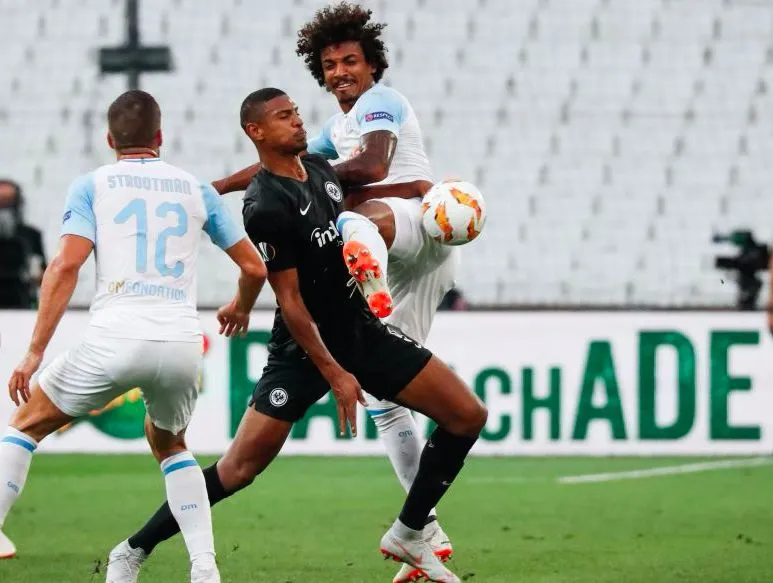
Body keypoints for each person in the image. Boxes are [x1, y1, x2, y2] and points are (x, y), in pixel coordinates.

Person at [107, 88, 486, 583]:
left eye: (297, 114)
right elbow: (290, 301)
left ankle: (410, 532)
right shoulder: (264, 206)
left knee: (466, 416)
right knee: (237, 470)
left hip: (361, 332)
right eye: (284, 117)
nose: (298, 122)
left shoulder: (322, 173)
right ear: (256, 132)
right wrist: (336, 373)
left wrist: (435, 191)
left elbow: (379, 186)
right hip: (305, 350)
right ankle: (133, 549)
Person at [213, 6, 461, 580]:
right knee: (387, 400)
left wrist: (316, 184)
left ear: (371, 65)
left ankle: (361, 255)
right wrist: (219, 187)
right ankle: (422, 535)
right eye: (330, 65)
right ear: (320, 74)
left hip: (412, 228)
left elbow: (371, 163)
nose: (341, 71)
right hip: (407, 273)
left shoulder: (383, 103)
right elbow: (287, 166)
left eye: (351, 60)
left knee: (353, 220)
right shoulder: (331, 126)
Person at [0, 90, 268, 583]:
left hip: (116, 335)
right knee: (171, 445)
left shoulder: (92, 185)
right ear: (160, 137)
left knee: (25, 424)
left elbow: (65, 266)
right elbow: (254, 267)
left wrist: (34, 351)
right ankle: (204, 566)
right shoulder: (195, 188)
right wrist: (240, 306)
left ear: (109, 139)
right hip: (182, 344)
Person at [0, 179, 47, 308]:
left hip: (21, 303)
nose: (4, 208)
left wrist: (36, 274)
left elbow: (44, 276)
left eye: (8, 201)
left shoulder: (31, 235)